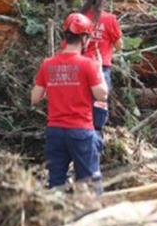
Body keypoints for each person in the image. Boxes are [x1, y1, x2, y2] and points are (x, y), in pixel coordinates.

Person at [31, 13, 107, 193]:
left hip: (55, 132)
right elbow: (102, 95)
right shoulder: (88, 65)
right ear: (84, 38)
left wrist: (56, 85)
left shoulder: (47, 64)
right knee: (90, 184)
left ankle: (58, 218)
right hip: (81, 131)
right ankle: (94, 218)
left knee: (56, 184)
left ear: (66, 36)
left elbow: (34, 98)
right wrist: (100, 70)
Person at [80, 0, 123, 137]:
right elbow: (120, 46)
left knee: (82, 103)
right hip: (101, 69)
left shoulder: (78, 17)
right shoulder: (110, 19)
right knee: (99, 104)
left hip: (80, 67)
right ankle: (96, 136)